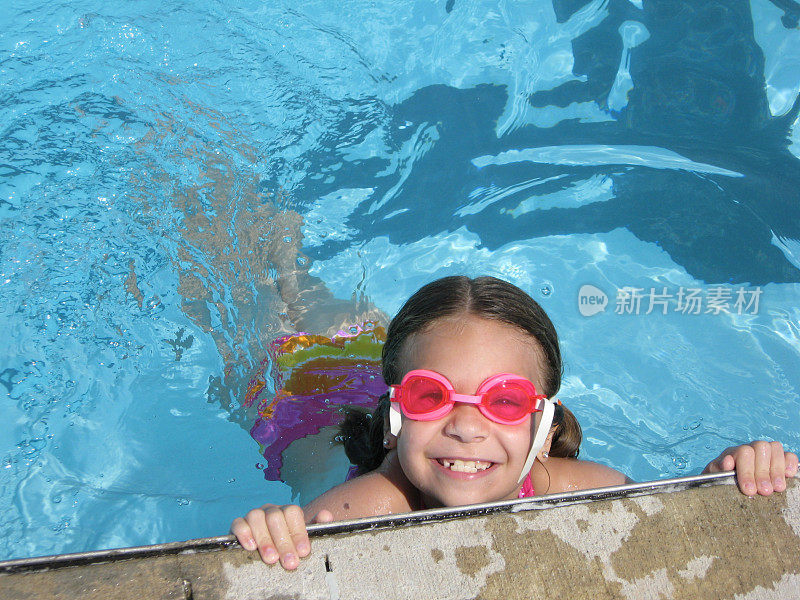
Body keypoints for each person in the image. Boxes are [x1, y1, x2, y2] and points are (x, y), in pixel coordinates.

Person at [230, 275, 798, 570]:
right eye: (434, 398)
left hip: (371, 381)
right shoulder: (368, 506)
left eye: (502, 402)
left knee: (336, 316)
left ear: (544, 426)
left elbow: (668, 523)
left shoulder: (586, 487)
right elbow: (299, 543)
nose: (467, 429)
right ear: (399, 415)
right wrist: (280, 529)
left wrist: (722, 480)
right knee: (283, 308)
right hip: (301, 404)